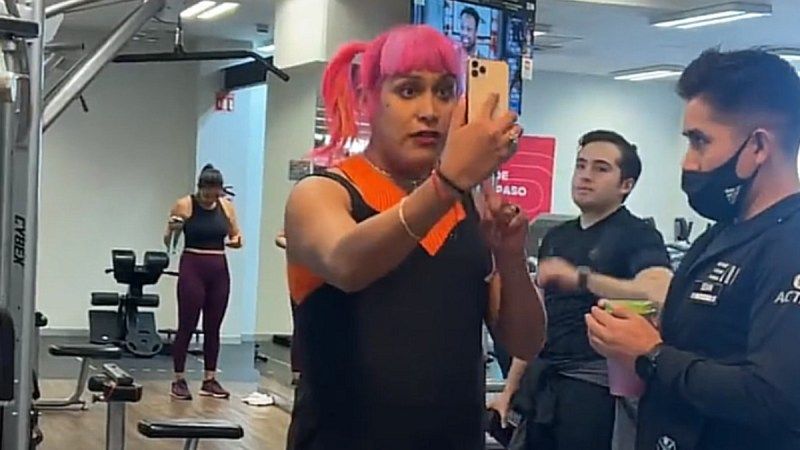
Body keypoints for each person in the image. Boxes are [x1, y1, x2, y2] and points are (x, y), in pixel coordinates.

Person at [283, 24, 546, 450]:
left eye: (444, 92)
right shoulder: (322, 194)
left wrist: (511, 258)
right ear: (368, 98)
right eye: (408, 91)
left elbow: (526, 342)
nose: (429, 110)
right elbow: (347, 264)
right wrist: (449, 182)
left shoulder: (470, 205)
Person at [587, 49, 800, 450]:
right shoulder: (720, 235)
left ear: (758, 146)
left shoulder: (791, 243)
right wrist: (644, 336)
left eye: (700, 142)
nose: (688, 163)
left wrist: (651, 355)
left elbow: (777, 397)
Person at [488, 130, 673, 450]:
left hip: (595, 388)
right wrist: (509, 390)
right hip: (544, 382)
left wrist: (582, 279)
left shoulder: (638, 235)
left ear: (626, 185)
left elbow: (659, 291)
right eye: (581, 165)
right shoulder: (556, 236)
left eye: (601, 168)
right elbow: (537, 324)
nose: (585, 176)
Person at [163, 164, 243, 400]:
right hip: (193, 265)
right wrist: (173, 229)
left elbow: (236, 235)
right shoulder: (185, 204)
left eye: (214, 194)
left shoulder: (226, 206)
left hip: (218, 267)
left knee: (213, 327)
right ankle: (178, 379)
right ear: (200, 189)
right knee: (187, 324)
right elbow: (169, 241)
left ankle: (210, 379)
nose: (210, 198)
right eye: (206, 193)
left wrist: (236, 241)